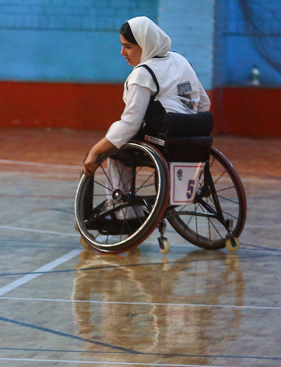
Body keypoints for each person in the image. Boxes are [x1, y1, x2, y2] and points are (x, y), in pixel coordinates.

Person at [81, 16, 211, 222]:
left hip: (163, 141)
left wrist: (96, 150)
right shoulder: (181, 60)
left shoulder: (142, 74)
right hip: (195, 137)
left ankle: (123, 212)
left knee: (116, 148)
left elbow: (130, 123)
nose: (122, 52)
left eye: (128, 47)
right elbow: (203, 104)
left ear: (145, 45)